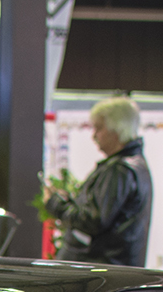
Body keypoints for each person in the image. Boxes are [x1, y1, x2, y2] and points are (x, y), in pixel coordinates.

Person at [45, 96, 152, 267]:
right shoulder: (134, 165)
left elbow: (93, 221)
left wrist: (56, 204)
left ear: (117, 128)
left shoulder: (119, 170)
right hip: (110, 268)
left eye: (99, 128)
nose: (94, 136)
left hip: (99, 270)